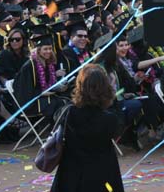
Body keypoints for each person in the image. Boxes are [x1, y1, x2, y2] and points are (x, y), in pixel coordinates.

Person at [51, 64, 124, 192]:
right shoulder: (110, 118)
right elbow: (117, 132)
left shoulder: (69, 112)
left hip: (72, 172)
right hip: (101, 172)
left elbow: (57, 119)